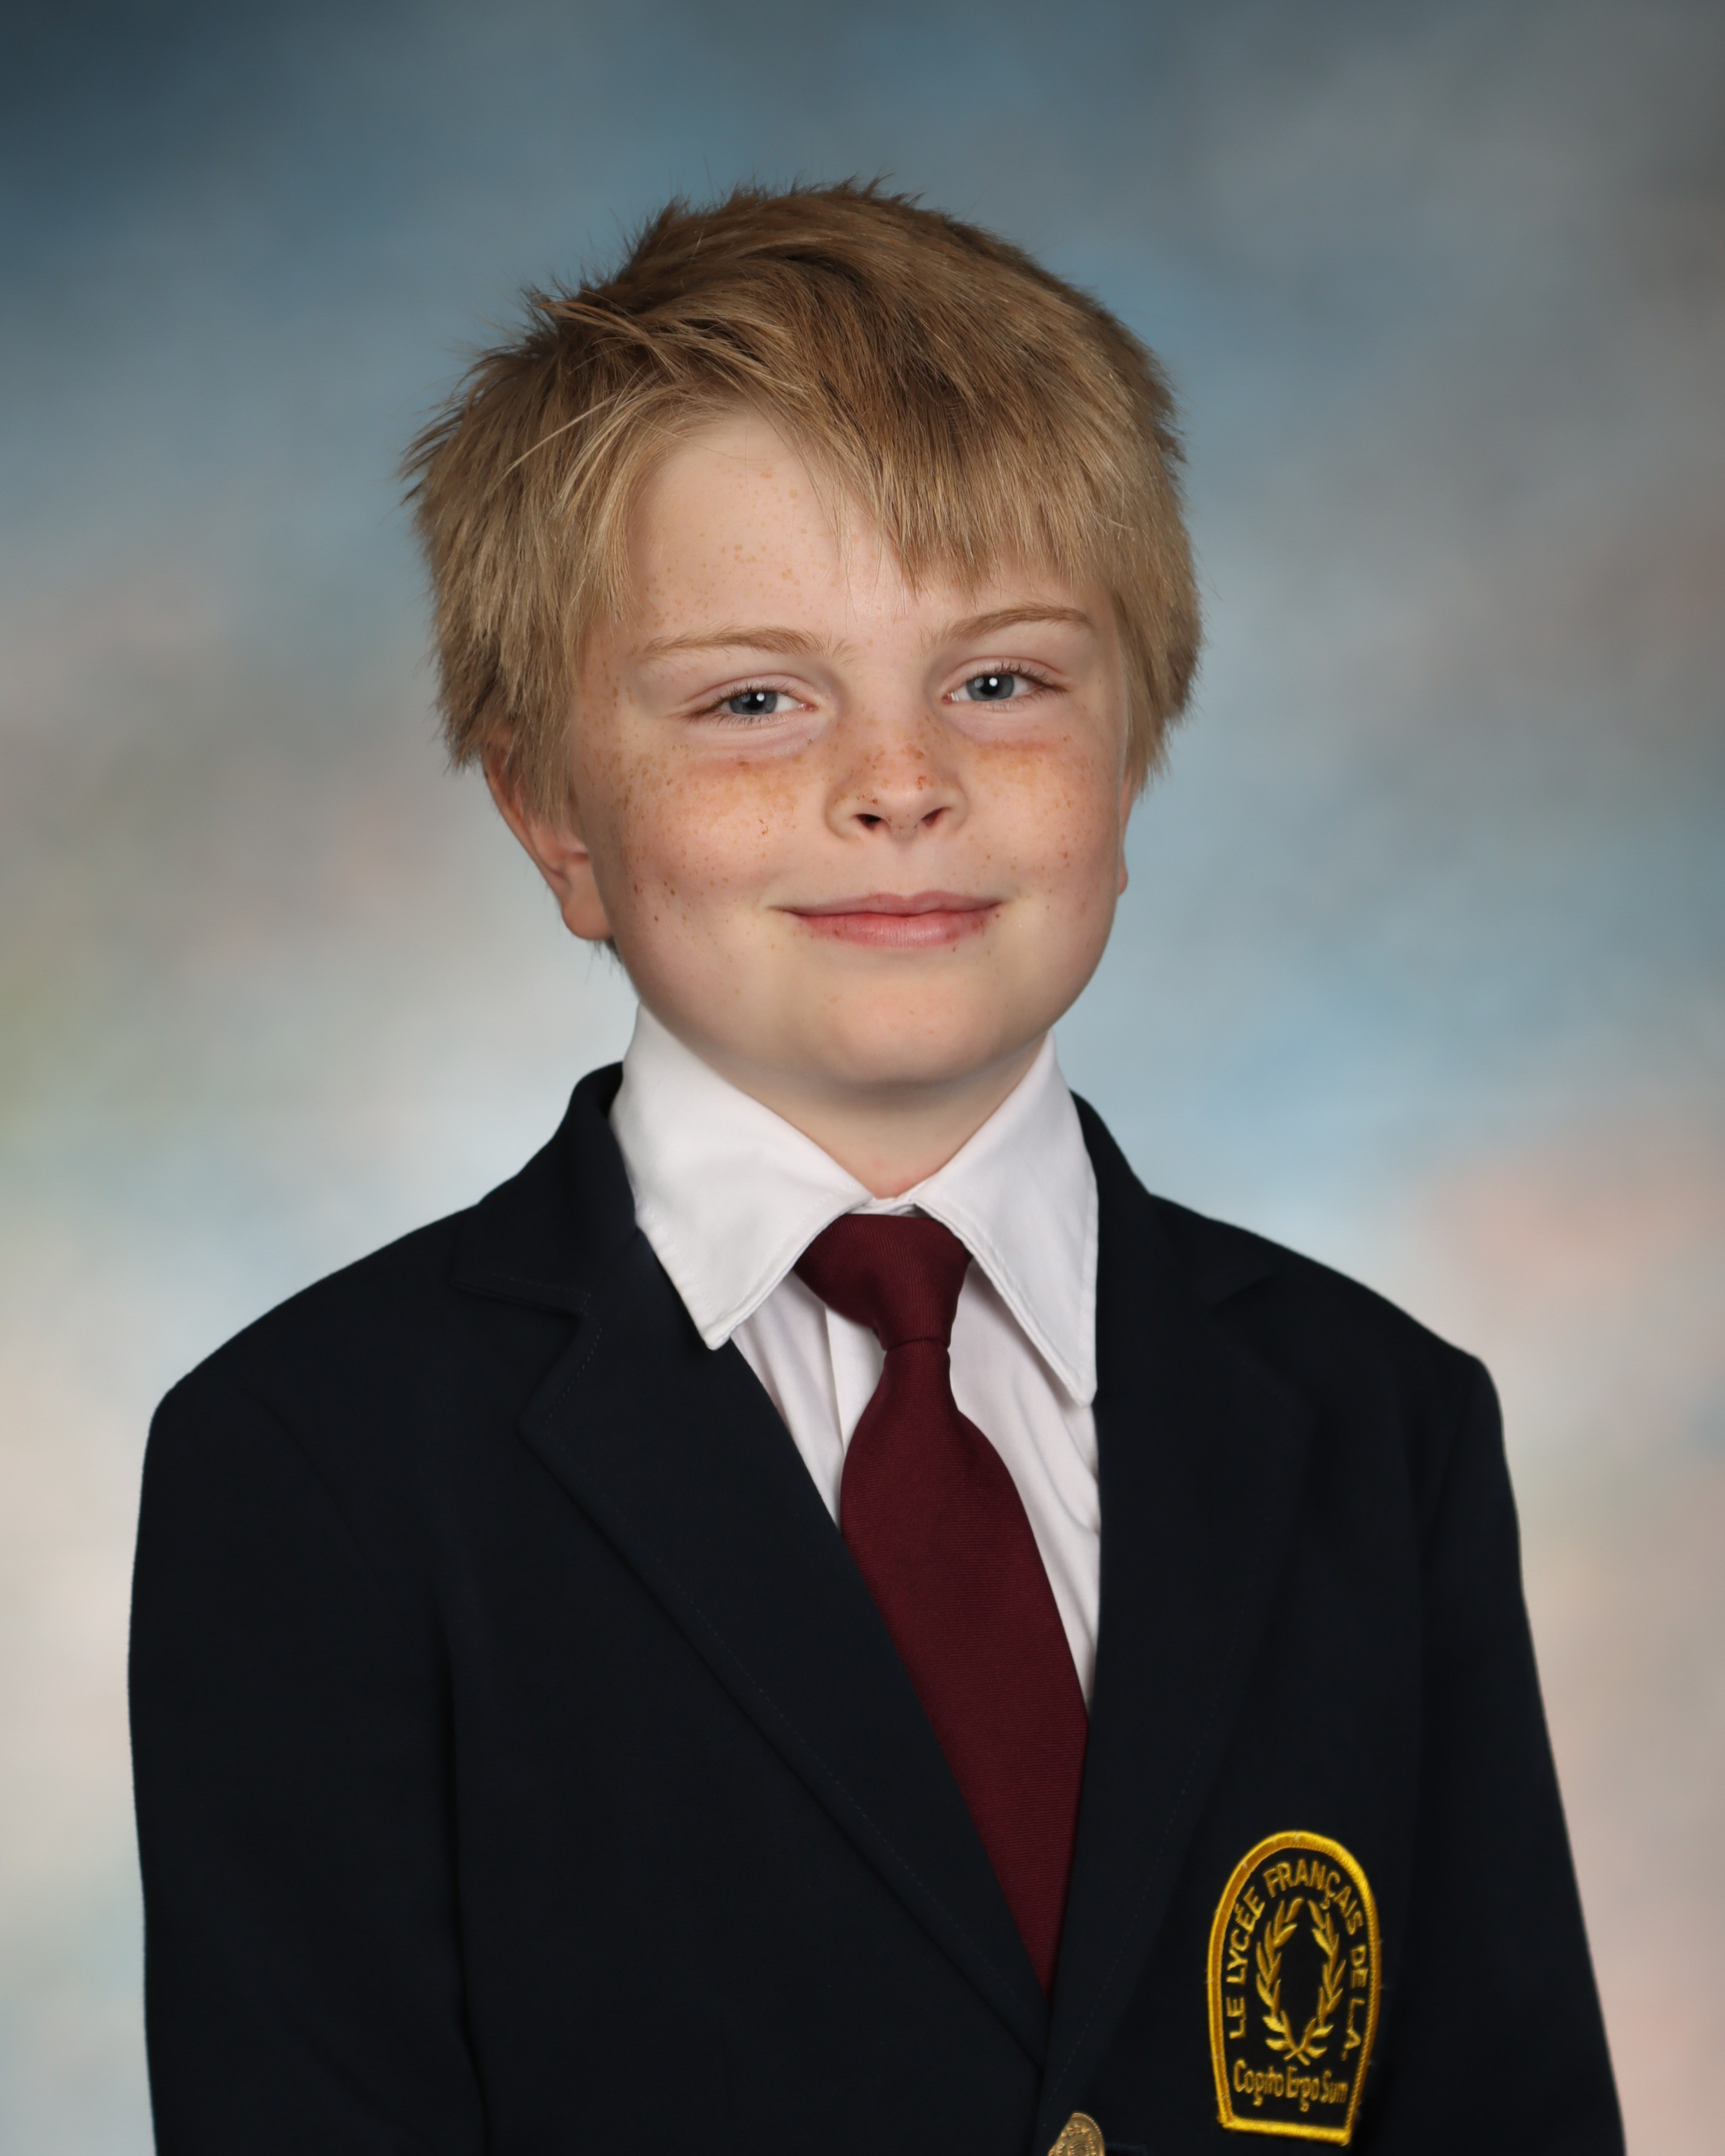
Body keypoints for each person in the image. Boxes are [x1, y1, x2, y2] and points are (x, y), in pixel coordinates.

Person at [128, 182, 1621, 2155]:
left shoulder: (1378, 1421)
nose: (900, 781)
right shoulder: (317, 1460)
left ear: (1133, 751)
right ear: (552, 813)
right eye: (755, 699)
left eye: (999, 680)